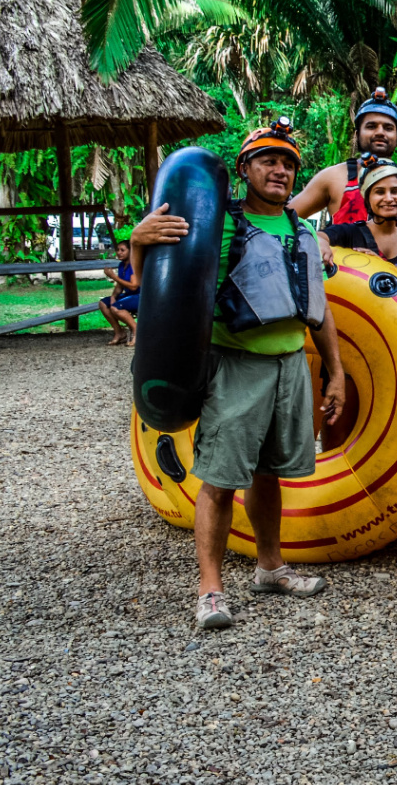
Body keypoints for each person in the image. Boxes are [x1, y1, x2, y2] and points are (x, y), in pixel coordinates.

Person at [129, 122, 344, 630]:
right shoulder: (217, 226)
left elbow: (319, 309)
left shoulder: (304, 231)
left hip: (290, 365)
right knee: (221, 479)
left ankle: (270, 568)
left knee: (270, 474)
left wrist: (335, 372)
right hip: (236, 365)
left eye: (288, 164)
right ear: (245, 169)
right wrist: (138, 241)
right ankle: (210, 590)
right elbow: (157, 283)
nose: (280, 171)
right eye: (268, 161)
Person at [291, 88, 397, 235]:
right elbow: (286, 218)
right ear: (357, 135)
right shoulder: (332, 178)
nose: (380, 132)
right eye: (371, 126)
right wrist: (316, 243)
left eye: (388, 128)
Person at [317, 160, 397, 288]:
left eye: (395, 191)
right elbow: (317, 236)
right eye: (380, 192)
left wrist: (383, 265)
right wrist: (321, 244)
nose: (389, 199)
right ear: (367, 198)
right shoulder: (350, 233)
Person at [97, 232, 140, 345]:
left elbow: (134, 286)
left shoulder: (134, 265)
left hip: (140, 295)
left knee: (116, 308)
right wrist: (113, 296)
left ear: (130, 251)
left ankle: (136, 331)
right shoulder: (121, 265)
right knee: (103, 303)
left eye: (122, 250)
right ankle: (119, 332)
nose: (119, 252)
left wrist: (113, 276)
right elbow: (120, 285)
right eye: (118, 250)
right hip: (129, 295)